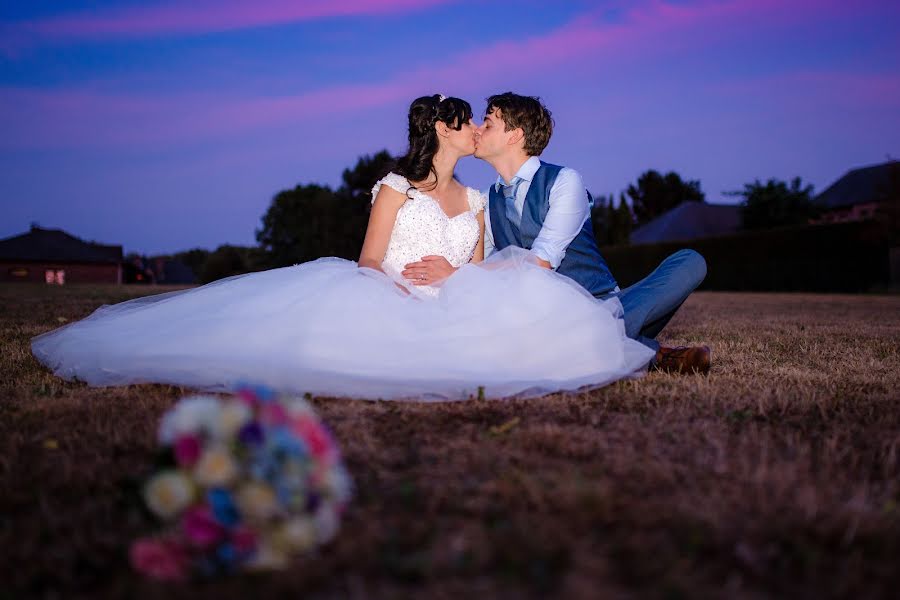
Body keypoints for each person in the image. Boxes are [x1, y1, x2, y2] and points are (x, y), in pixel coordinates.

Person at [31, 94, 654, 400]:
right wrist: (407, 291)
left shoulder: (481, 200)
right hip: (389, 295)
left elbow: (480, 263)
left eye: (482, 121)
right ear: (443, 128)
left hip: (457, 300)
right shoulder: (393, 187)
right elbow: (368, 260)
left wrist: (454, 273)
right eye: (468, 120)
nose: (475, 129)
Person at [470, 92, 711, 374]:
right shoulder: (487, 200)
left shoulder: (564, 181)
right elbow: (486, 267)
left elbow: (542, 263)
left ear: (515, 135)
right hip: (540, 320)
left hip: (604, 306)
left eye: (488, 124)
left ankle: (587, 340)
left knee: (690, 261)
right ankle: (656, 356)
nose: (477, 130)